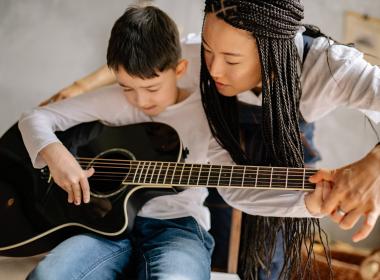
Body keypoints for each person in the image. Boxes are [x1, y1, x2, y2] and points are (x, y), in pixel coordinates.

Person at [19, 5, 326, 280]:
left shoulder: (210, 112)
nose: (139, 100)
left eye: (152, 89)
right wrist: (56, 154)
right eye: (127, 87)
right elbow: (34, 118)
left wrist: (305, 203)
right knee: (48, 275)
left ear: (179, 69)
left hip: (177, 227)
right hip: (100, 228)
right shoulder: (115, 102)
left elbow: (238, 188)